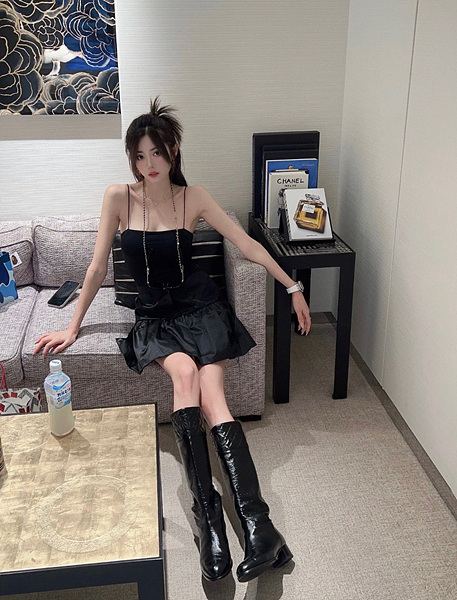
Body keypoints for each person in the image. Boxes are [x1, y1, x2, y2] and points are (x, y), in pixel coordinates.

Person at [34, 97, 311, 583]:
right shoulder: (118, 197)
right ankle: (212, 526)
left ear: (174, 150)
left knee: (214, 397)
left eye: (157, 153)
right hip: (156, 316)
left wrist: (292, 287)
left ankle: (259, 527)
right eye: (140, 155)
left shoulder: (193, 196)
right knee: (184, 376)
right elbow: (96, 268)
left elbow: (245, 244)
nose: (149, 164)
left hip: (200, 307)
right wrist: (73, 326)